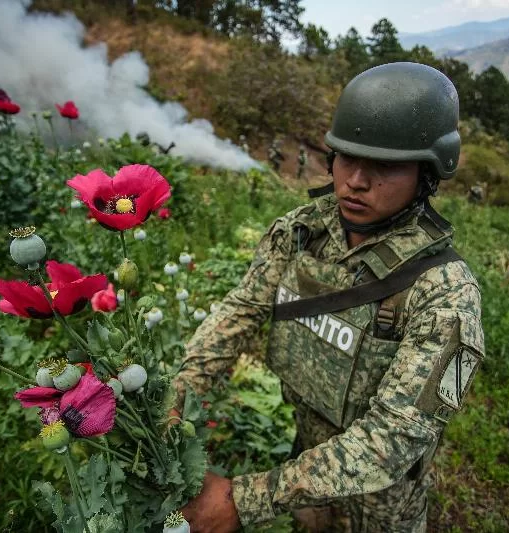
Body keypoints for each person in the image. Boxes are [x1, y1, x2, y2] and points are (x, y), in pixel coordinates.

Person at [174, 62, 485, 532]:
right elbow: (239, 312)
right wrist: (181, 393)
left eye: (384, 166)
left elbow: (392, 442)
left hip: (382, 504)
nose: (355, 181)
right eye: (345, 157)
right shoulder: (304, 233)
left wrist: (245, 500)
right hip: (306, 462)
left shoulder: (445, 293)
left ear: (427, 173)